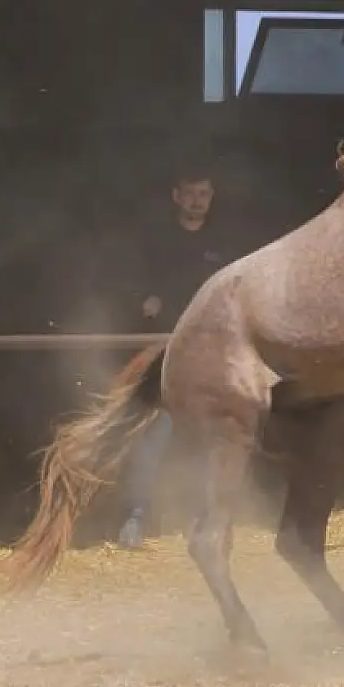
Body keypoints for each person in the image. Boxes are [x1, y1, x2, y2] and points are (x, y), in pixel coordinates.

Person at [116, 162, 235, 549]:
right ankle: (136, 518)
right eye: (191, 194)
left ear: (211, 197)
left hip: (207, 356)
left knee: (208, 435)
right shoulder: (153, 242)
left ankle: (203, 518)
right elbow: (128, 288)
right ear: (176, 197)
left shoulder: (224, 245)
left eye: (204, 194)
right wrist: (144, 300)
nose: (198, 201)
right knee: (153, 434)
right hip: (161, 355)